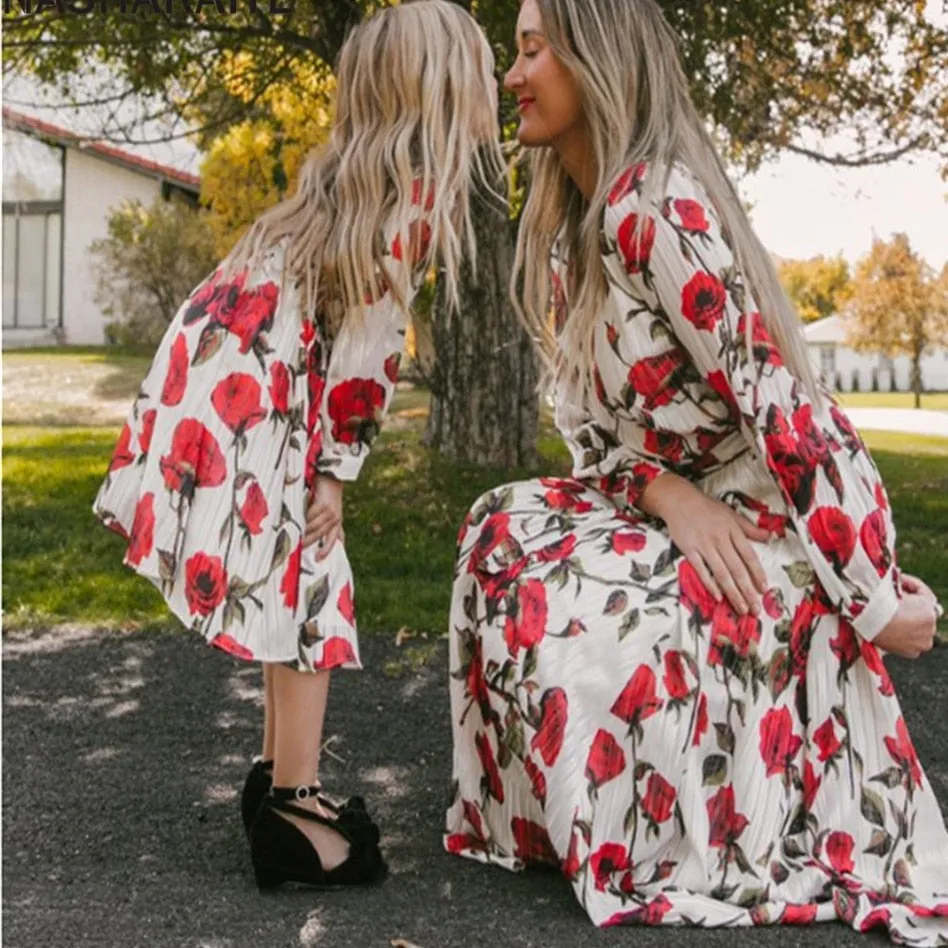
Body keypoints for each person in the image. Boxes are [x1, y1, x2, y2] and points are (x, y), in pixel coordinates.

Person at [444, 0, 948, 941]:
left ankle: (673, 832)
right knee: (502, 530)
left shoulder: (658, 207)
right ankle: (570, 824)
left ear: (595, 60)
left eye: (530, 51)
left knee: (588, 598)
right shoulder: (572, 232)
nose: (512, 76)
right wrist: (668, 496)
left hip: (764, 527)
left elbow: (783, 407)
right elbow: (587, 432)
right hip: (677, 511)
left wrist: (875, 600)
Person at [94, 0, 504, 891]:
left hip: (223, 363)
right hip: (261, 387)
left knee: (292, 575)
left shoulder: (345, 179)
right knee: (316, 580)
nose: (493, 91)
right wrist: (335, 473)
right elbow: (365, 352)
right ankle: (293, 802)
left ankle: (282, 781)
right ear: (437, 94)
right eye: (479, 75)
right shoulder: (407, 196)